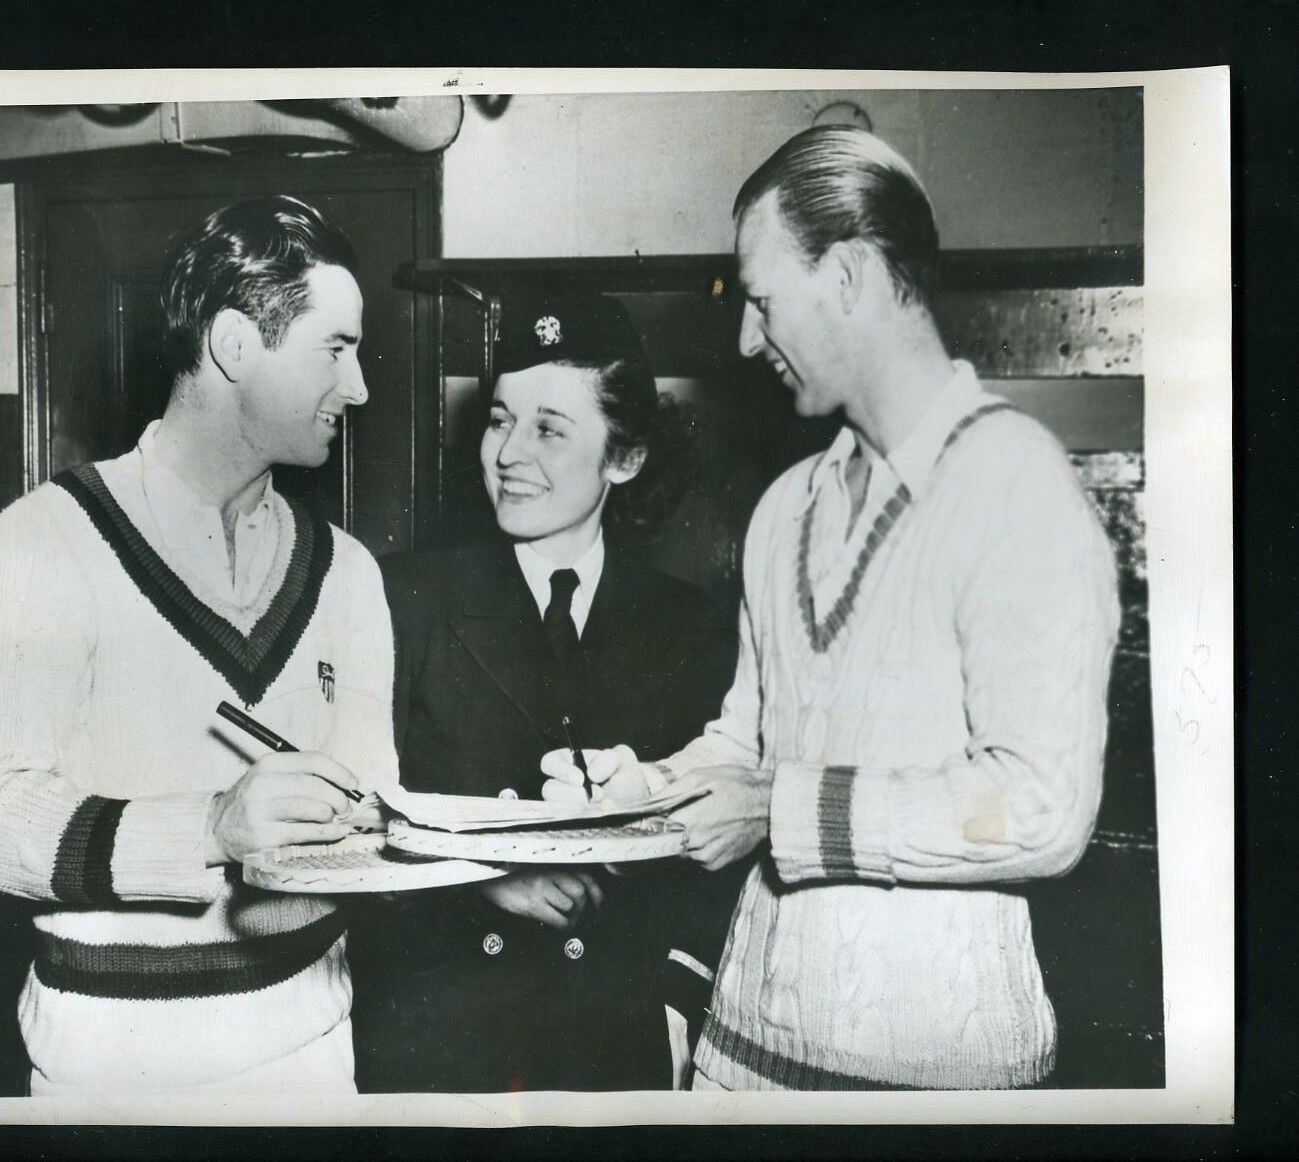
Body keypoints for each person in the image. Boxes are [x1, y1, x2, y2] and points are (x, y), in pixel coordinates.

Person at [542, 126, 1121, 1091]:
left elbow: (1042, 809)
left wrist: (777, 813)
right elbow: (746, 744)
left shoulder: (1012, 485)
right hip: (740, 1058)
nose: (741, 338)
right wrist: (638, 793)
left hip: (933, 1083)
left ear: (848, 274)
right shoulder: (784, 509)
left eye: (762, 301)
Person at [0, 195, 397, 1095]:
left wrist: (467, 839)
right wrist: (207, 828)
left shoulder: (346, 571)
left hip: (316, 1049)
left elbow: (371, 807)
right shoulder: (43, 541)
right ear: (235, 345)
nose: (359, 388)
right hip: (110, 1068)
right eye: (337, 350)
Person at [347, 290, 742, 1093]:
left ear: (624, 458)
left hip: (613, 1038)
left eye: (550, 429)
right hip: (442, 1037)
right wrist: (486, 880)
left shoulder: (690, 624)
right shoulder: (400, 599)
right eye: (499, 419)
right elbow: (357, 821)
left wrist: (676, 1000)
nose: (507, 453)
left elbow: (715, 842)